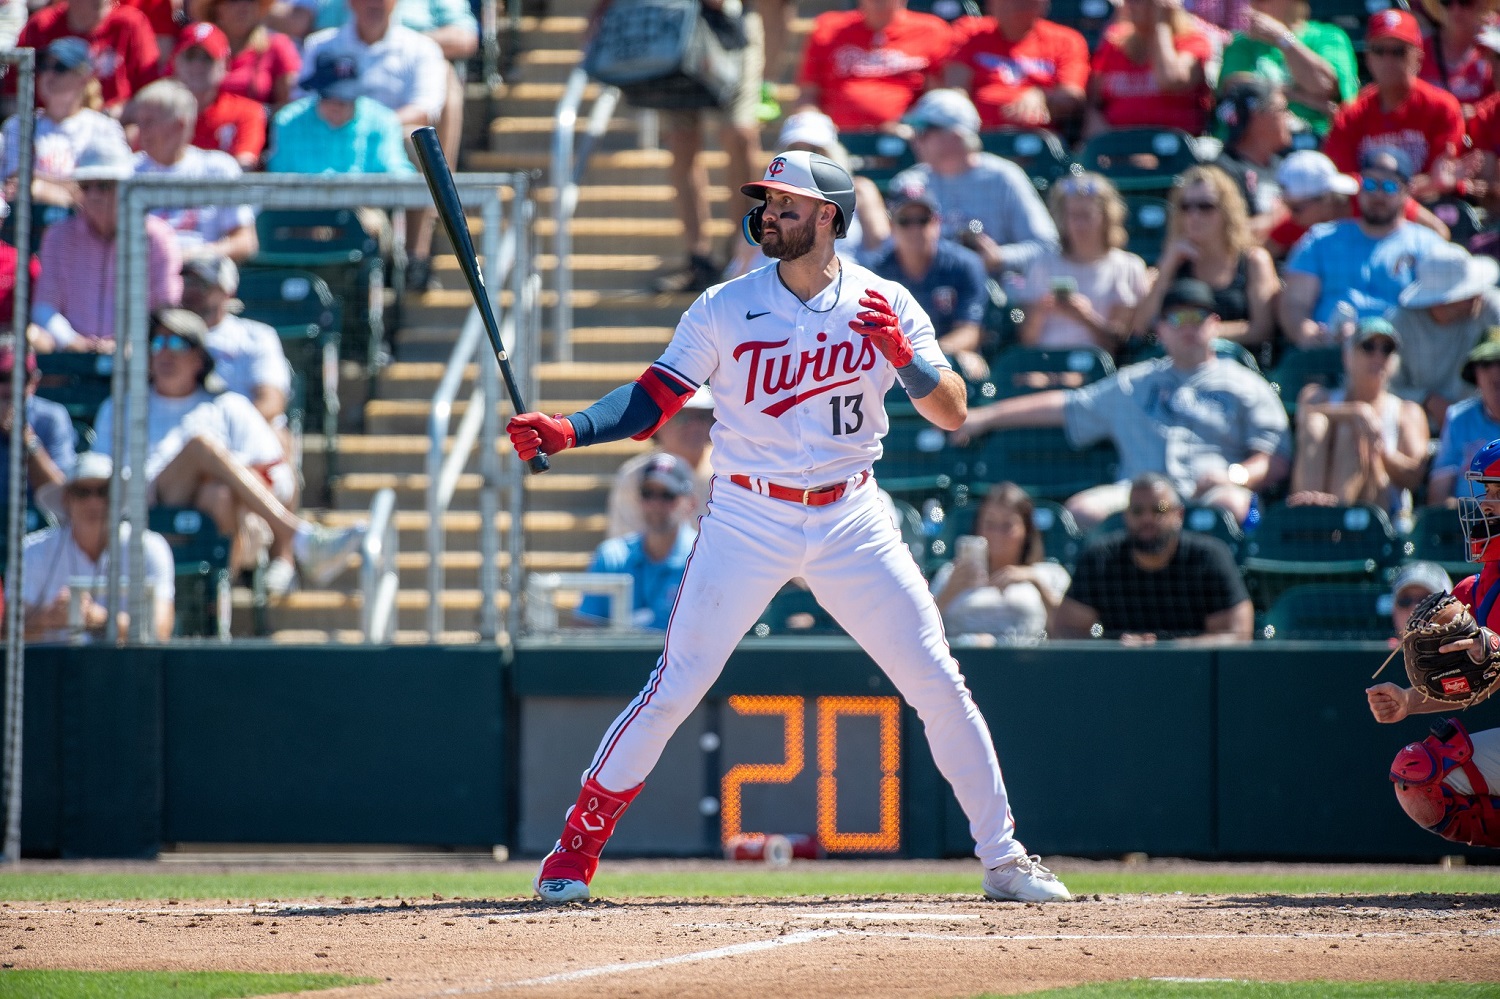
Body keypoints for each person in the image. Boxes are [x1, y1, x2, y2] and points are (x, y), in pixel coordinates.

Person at [505, 149, 1072, 905]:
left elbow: (954, 409)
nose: (771, 213)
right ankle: (574, 850)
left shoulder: (887, 302)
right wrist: (569, 429)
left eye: (789, 204)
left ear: (829, 216)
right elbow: (652, 400)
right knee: (675, 685)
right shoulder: (724, 305)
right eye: (768, 202)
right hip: (747, 511)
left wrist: (906, 361)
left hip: (852, 515)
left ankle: (1004, 859)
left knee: (937, 681)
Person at [956, 277, 1291, 531]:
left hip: (1210, 492)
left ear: (1215, 324)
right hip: (1137, 493)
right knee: (1083, 511)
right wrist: (986, 416)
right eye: (1177, 318)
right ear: (1160, 330)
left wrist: (1236, 475)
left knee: (1235, 505)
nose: (1187, 326)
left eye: (1197, 317)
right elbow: (1067, 406)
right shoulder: (1135, 382)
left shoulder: (1247, 383)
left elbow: (1275, 456)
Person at [91, 307, 365, 595]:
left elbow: (282, 479)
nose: (165, 354)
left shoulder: (228, 406)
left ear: (200, 358)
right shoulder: (120, 407)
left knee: (217, 492)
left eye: (177, 344)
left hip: (222, 523)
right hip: (140, 512)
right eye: (157, 344)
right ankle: (299, 536)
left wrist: (228, 482)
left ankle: (213, 598)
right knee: (201, 446)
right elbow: (99, 472)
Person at [1366, 439, 1500, 850]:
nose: (1487, 505)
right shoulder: (1479, 587)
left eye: (1499, 492)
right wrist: (1409, 700)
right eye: (1487, 492)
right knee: (1420, 772)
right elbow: (1474, 681)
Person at [301, 0, 451, 287]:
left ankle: (414, 257)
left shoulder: (421, 47)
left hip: (388, 142)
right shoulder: (320, 44)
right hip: (329, 145)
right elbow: (301, 102)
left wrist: (371, 124)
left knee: (417, 140)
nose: (374, 3)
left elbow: (426, 107)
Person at [1049, 472, 1253, 643]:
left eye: (1160, 509)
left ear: (1179, 515)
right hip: (1119, 673)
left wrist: (1170, 649)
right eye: (1138, 511)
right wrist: (1115, 647)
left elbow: (1238, 633)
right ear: (1126, 516)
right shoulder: (1101, 558)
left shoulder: (1208, 557)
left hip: (1193, 674)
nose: (1147, 518)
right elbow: (1066, 629)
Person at [1280, 146, 1452, 348]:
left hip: (1400, 354)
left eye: (1389, 187)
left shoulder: (1427, 245)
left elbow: (1443, 311)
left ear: (1407, 191)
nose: (1378, 194)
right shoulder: (1320, 239)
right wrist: (1307, 334)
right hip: (1331, 350)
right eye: (1370, 184)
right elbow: (1295, 304)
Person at [888, 88, 1060, 278]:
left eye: (923, 129)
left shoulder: (1003, 176)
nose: (915, 138)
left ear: (956, 135)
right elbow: (886, 250)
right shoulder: (910, 182)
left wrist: (999, 257)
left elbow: (1047, 246)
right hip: (926, 291)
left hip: (994, 290)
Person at [31, 140, 182, 353]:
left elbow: (165, 309)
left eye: (103, 186)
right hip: (70, 360)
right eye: (86, 186)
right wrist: (73, 342)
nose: (93, 195)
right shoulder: (59, 236)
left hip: (139, 359)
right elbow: (45, 306)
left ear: (127, 188)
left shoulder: (158, 238)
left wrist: (129, 344)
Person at [1287, 318, 1428, 530]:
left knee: (1355, 435)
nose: (1378, 357)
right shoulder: (1319, 396)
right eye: (1368, 347)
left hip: (1381, 508)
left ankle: (1330, 523)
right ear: (1347, 355)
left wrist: (1379, 450)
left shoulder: (1406, 411)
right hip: (1321, 495)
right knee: (1320, 423)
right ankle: (1311, 517)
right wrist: (1357, 412)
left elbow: (1414, 476)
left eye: (1386, 349)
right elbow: (1306, 413)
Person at [21, 452, 175, 642]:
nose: (94, 502)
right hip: (55, 669)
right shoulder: (33, 550)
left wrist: (100, 620)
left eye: (104, 491)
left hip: (127, 668)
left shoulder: (150, 548)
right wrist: (49, 618)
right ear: (66, 499)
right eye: (82, 492)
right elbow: (8, 631)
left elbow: (161, 630)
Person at [1134, 165, 1280, 353]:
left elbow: (1262, 329)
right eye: (1186, 207)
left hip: (1239, 366)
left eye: (1205, 206)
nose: (1194, 215)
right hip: (1180, 368)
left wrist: (1200, 332)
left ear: (1227, 211)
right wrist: (1167, 266)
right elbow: (1141, 328)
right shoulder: (1174, 263)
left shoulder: (1253, 261)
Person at [1322, 9, 1467, 198]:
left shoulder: (1442, 107)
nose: (1388, 60)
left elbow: (1441, 181)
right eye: (1379, 51)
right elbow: (1344, 182)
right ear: (1368, 58)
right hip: (1367, 215)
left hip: (1428, 209)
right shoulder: (1351, 113)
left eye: (1399, 52)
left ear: (1418, 57)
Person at [0, 37, 129, 235]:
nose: (48, 75)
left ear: (84, 77)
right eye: (44, 66)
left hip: (83, 230)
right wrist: (68, 188)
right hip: (24, 228)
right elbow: (13, 184)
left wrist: (41, 187)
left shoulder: (103, 127)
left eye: (60, 68)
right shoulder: (18, 123)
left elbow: (108, 191)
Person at [128, 80, 260, 263]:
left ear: (179, 126)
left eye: (149, 122)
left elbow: (245, 242)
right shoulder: (128, 170)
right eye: (139, 122)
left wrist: (198, 255)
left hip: (203, 273)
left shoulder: (218, 168)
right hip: (146, 273)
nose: (140, 131)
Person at [1017, 172, 1148, 355]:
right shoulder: (1042, 264)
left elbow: (1120, 345)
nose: (1079, 225)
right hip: (1044, 367)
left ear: (1106, 217)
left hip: (1098, 372)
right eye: (1073, 216)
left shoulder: (1128, 267)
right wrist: (1041, 310)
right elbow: (1027, 341)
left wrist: (1084, 316)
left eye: (1087, 216)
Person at [871, 188, 990, 379]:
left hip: (948, 357)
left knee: (971, 364)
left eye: (923, 220)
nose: (915, 229)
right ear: (891, 225)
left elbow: (969, 332)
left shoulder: (964, 264)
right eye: (905, 221)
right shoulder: (878, 273)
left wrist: (920, 355)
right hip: (894, 362)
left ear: (937, 223)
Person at [931, 482, 1070, 645]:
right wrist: (949, 591)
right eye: (989, 524)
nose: (997, 534)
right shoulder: (950, 574)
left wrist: (1035, 581)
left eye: (1007, 526)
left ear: (1026, 530)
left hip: (1029, 664)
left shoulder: (1049, 574)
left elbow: (1070, 631)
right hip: (960, 663)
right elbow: (918, 629)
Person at [179, 252, 293, 443]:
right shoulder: (165, 337)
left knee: (277, 435)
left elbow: (271, 402)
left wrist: (225, 434)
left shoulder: (257, 336)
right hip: (181, 433)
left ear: (227, 291)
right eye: (188, 282)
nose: (192, 292)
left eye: (203, 284)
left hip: (243, 437)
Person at [577, 453, 699, 631]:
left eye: (667, 495)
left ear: (691, 503)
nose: (656, 503)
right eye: (648, 493)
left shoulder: (704, 558)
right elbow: (583, 631)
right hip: (619, 659)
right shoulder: (612, 556)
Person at [1389, 240, 1500, 435]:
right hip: (1418, 430)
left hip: (1489, 425)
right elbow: (1386, 387)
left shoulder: (1491, 307)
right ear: (1438, 302)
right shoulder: (1400, 324)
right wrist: (1426, 400)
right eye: (1466, 293)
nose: (1477, 296)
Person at [794, 0, 955, 132]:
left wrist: (910, 124)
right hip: (838, 137)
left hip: (908, 137)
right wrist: (811, 127)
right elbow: (809, 93)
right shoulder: (829, 27)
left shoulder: (932, 30)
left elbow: (936, 98)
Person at [1265, 148, 1448, 263]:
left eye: (1295, 208)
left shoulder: (1373, 192)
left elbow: (1439, 231)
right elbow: (1265, 251)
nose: (1290, 214)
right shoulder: (1301, 219)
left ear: (1325, 199)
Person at [1216, 0, 1357, 138]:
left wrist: (1283, 38)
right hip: (1252, 143)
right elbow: (1237, 89)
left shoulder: (1328, 36)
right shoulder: (1241, 42)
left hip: (1314, 137)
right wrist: (1304, 97)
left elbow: (1324, 85)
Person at [943, 0, 1089, 130]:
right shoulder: (970, 31)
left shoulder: (1066, 40)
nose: (1018, 5)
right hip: (979, 133)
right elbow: (956, 90)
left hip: (1038, 137)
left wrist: (1042, 95)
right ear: (991, 3)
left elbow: (1072, 95)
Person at [266, 50, 414, 176]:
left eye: (345, 99)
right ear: (317, 93)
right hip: (296, 207)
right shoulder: (288, 120)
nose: (336, 105)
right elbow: (279, 174)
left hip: (363, 207)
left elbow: (398, 172)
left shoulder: (383, 121)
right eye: (328, 97)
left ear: (357, 97)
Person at [1084, 0, 1214, 138]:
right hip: (1119, 148)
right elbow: (1094, 105)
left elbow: (1171, 79)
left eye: (1138, 2)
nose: (1129, 6)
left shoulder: (1192, 41)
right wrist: (1112, 145)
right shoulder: (1115, 43)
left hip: (1171, 146)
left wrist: (1161, 26)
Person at [606, 387, 714, 539]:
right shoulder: (635, 476)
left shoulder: (729, 471)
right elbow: (623, 544)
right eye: (682, 417)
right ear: (658, 423)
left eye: (702, 417)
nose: (694, 426)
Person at [16, 0, 160, 112]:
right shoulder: (41, 25)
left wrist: (118, 114)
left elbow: (150, 93)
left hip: (114, 124)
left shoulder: (130, 23)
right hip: (50, 125)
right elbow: (14, 93)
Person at [171, 22, 268, 170]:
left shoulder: (247, 112)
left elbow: (244, 166)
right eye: (190, 56)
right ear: (176, 62)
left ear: (226, 64)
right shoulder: (159, 112)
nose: (198, 65)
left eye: (207, 58)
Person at [1212, 75, 1293, 231]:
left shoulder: (1283, 165)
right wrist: (1290, 209)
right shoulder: (1222, 173)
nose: (1289, 117)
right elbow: (1228, 236)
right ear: (1257, 117)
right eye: (1282, 110)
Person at [0, 344, 74, 513]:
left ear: (34, 381)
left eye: (21, 378)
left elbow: (62, 497)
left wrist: (26, 439)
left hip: (40, 527)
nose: (12, 387)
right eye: (3, 378)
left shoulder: (52, 417)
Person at [1430, 327, 1500, 502]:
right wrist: (1450, 508)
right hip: (1471, 526)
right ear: (1476, 375)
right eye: (1486, 363)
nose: (1495, 371)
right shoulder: (1459, 418)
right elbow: (1439, 495)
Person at [200, 0, 303, 109]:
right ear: (216, 8)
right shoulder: (200, 48)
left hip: (262, 124)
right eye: (233, 1)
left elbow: (289, 106)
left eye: (251, 0)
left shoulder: (277, 46)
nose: (243, 6)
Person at [1419, 0, 1498, 112]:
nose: (1455, 10)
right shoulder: (1416, 51)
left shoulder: (1493, 51)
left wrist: (1478, 114)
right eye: (1446, 1)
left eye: (1464, 2)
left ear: (1482, 5)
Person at [1389, 560, 1453, 640]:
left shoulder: (1470, 651)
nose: (1414, 608)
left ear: (1450, 607)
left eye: (1427, 601)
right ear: (1394, 610)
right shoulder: (1379, 651)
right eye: (1405, 601)